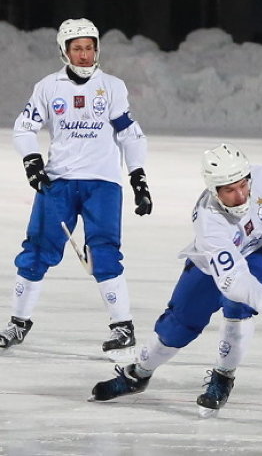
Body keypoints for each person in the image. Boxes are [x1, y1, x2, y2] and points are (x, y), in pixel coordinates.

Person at [90, 143, 262, 418]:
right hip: (211, 266)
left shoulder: (260, 177)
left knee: (238, 310)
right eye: (230, 190)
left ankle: (223, 376)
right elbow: (232, 279)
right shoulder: (209, 222)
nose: (241, 195)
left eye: (243, 185)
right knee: (177, 327)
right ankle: (138, 374)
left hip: (261, 251)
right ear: (214, 191)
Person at [0, 18, 152, 360]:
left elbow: (129, 133)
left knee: (104, 253)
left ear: (97, 49)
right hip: (58, 182)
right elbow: (24, 129)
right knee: (37, 250)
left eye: (89, 47)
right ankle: (18, 322)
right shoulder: (48, 87)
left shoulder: (112, 87)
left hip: (103, 183)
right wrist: (32, 162)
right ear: (64, 51)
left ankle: (122, 326)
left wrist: (138, 178)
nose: (84, 54)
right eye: (77, 48)